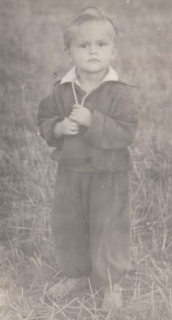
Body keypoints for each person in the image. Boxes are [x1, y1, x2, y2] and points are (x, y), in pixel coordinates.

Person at [37, 4, 138, 313]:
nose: (93, 52)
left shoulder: (119, 92)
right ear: (70, 53)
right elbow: (44, 117)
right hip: (71, 172)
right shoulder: (62, 89)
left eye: (101, 45)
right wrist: (57, 127)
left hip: (108, 174)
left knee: (108, 226)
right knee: (69, 225)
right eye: (83, 45)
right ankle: (75, 274)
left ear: (113, 51)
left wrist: (91, 120)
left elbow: (127, 131)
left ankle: (110, 282)